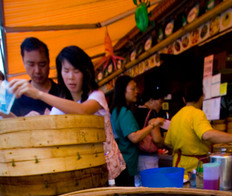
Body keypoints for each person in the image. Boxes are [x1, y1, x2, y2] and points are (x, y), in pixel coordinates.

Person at [8, 45, 125, 181]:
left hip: (111, 171)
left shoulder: (96, 96)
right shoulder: (62, 105)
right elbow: (42, 130)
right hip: (87, 171)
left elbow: (83, 110)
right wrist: (12, 116)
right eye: (66, 70)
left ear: (85, 72)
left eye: (76, 71)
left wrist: (38, 94)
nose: (70, 77)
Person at [165, 81, 232, 175]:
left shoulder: (176, 117)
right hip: (195, 169)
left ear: (184, 99)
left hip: (178, 169)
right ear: (202, 97)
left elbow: (168, 143)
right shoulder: (197, 114)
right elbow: (207, 135)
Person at [110, 75, 164, 186]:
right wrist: (152, 125)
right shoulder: (124, 112)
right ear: (123, 91)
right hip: (126, 163)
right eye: (133, 88)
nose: (137, 91)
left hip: (120, 162)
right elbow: (134, 137)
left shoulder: (115, 111)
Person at [9, 37, 62, 117]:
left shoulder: (64, 92)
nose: (37, 70)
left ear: (49, 63)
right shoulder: (17, 98)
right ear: (24, 63)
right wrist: (24, 121)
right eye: (31, 64)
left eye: (42, 65)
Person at [133, 85, 169, 186]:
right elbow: (157, 139)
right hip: (148, 159)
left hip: (137, 157)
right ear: (152, 100)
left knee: (140, 188)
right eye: (160, 102)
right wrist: (168, 144)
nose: (161, 105)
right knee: (151, 189)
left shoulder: (135, 111)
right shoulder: (151, 113)